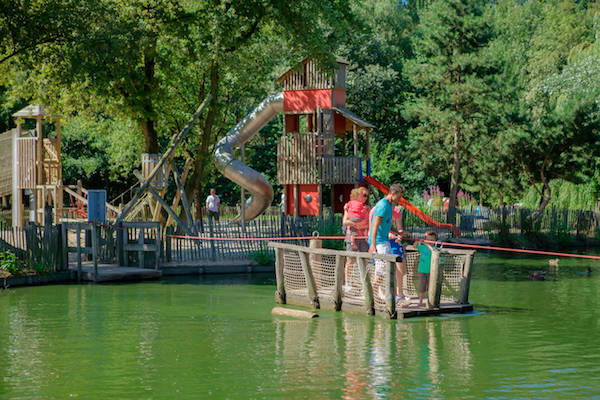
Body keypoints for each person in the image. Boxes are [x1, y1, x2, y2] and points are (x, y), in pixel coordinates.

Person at [368, 184, 405, 284]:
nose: (400, 199)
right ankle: (371, 293)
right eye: (399, 196)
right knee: (383, 271)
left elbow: (387, 224)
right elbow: (375, 225)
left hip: (385, 241)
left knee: (385, 270)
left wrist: (398, 233)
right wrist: (373, 244)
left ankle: (377, 294)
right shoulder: (383, 205)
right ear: (393, 194)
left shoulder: (390, 206)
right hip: (379, 242)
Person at [416, 230, 438, 307]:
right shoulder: (423, 247)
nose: (430, 242)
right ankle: (420, 301)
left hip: (431, 272)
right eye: (428, 240)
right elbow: (415, 246)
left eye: (432, 240)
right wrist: (418, 241)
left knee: (430, 288)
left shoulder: (435, 248)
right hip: (422, 271)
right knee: (422, 287)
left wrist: (426, 244)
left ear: (435, 241)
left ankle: (429, 301)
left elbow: (432, 251)